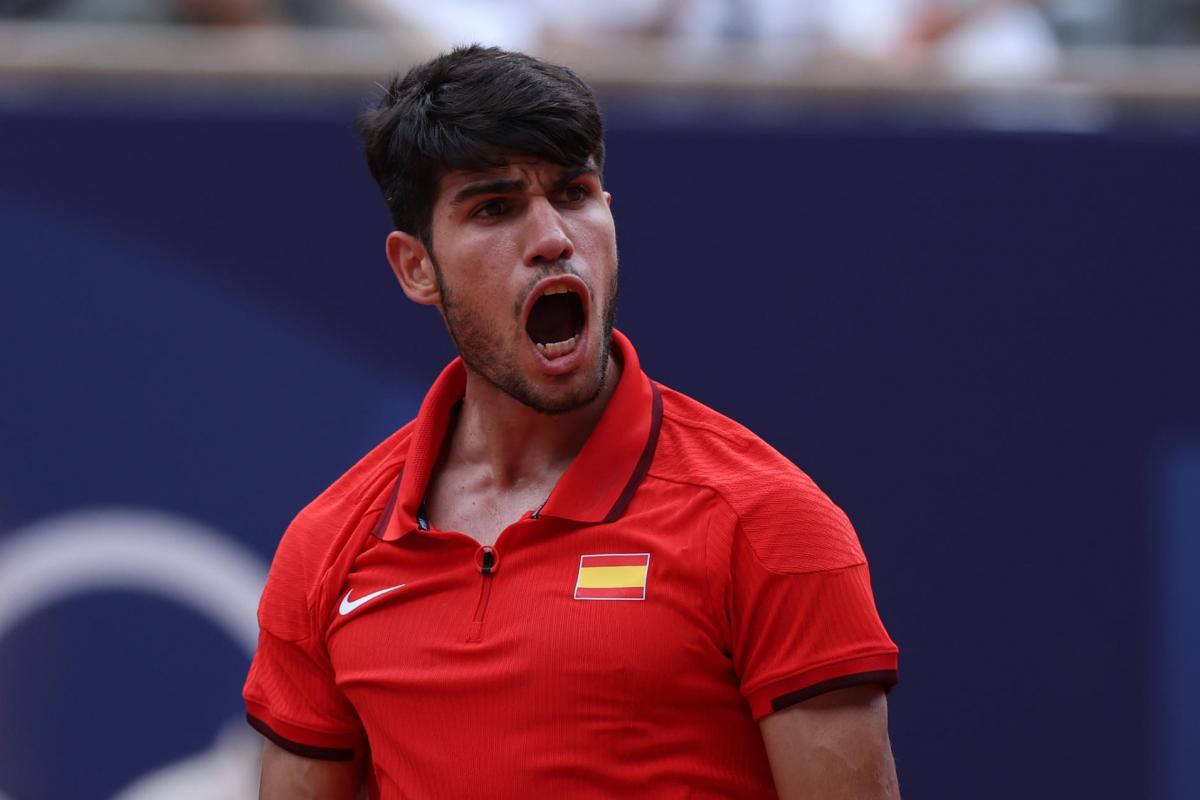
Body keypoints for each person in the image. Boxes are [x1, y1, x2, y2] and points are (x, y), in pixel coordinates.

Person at [243, 44, 901, 799]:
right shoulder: (328, 547)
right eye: (494, 208)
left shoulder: (771, 525)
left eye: (574, 193)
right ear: (416, 268)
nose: (553, 236)